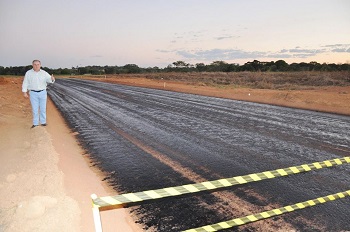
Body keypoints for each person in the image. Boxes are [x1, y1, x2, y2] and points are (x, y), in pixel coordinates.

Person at [22, 60, 55, 128]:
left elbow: (49, 80)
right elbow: (25, 82)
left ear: (40, 65)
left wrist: (52, 79)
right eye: (35, 64)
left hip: (42, 92)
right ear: (32, 65)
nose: (36, 66)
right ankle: (35, 123)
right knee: (35, 109)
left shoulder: (44, 73)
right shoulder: (28, 73)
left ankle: (43, 122)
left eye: (38, 64)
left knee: (43, 108)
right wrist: (24, 92)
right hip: (33, 93)